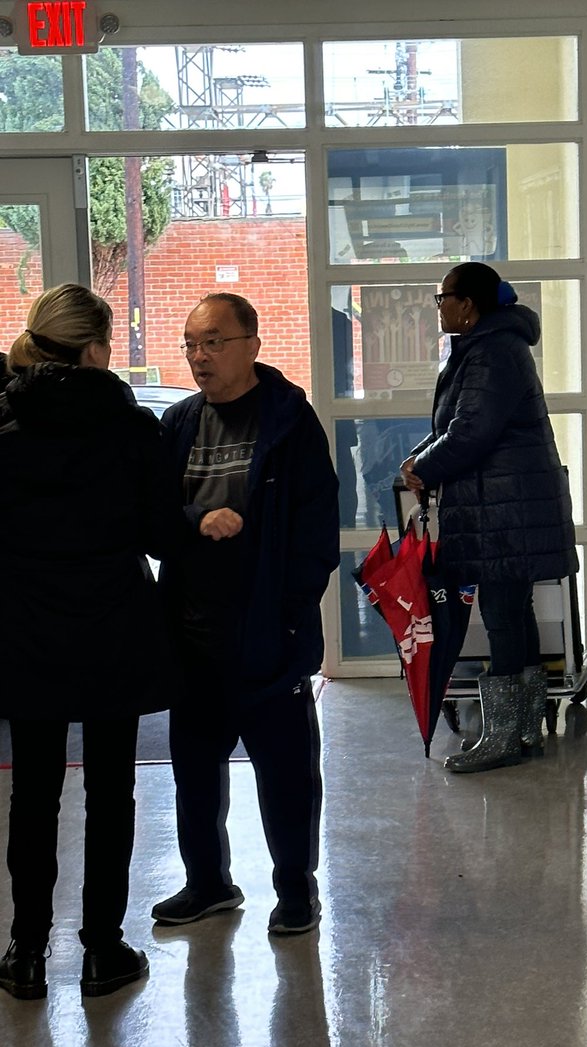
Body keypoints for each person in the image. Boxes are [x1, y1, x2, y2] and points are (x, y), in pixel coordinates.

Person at [0, 283, 175, 1000]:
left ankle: (27, 952)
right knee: (112, 791)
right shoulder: (133, 430)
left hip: (28, 628)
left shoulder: (3, 429)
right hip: (113, 627)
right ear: (98, 348)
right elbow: (162, 536)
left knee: (34, 794)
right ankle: (103, 949)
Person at [152, 293, 339, 935]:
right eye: (190, 345)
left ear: (251, 346)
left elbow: (318, 529)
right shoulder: (177, 424)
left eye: (213, 343)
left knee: (286, 778)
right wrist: (193, 519)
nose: (199, 357)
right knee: (195, 777)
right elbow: (151, 521)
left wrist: (287, 616)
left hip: (269, 636)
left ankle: (296, 893)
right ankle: (207, 884)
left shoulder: (289, 421)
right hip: (194, 636)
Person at [400, 262, 577, 774]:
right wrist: (422, 457)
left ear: (468, 305)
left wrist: (425, 468)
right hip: (507, 503)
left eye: (443, 299)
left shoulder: (492, 351)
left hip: (505, 508)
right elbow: (461, 424)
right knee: (513, 612)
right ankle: (524, 730)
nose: (440, 308)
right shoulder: (493, 345)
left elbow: (473, 431)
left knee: (502, 614)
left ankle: (503, 738)